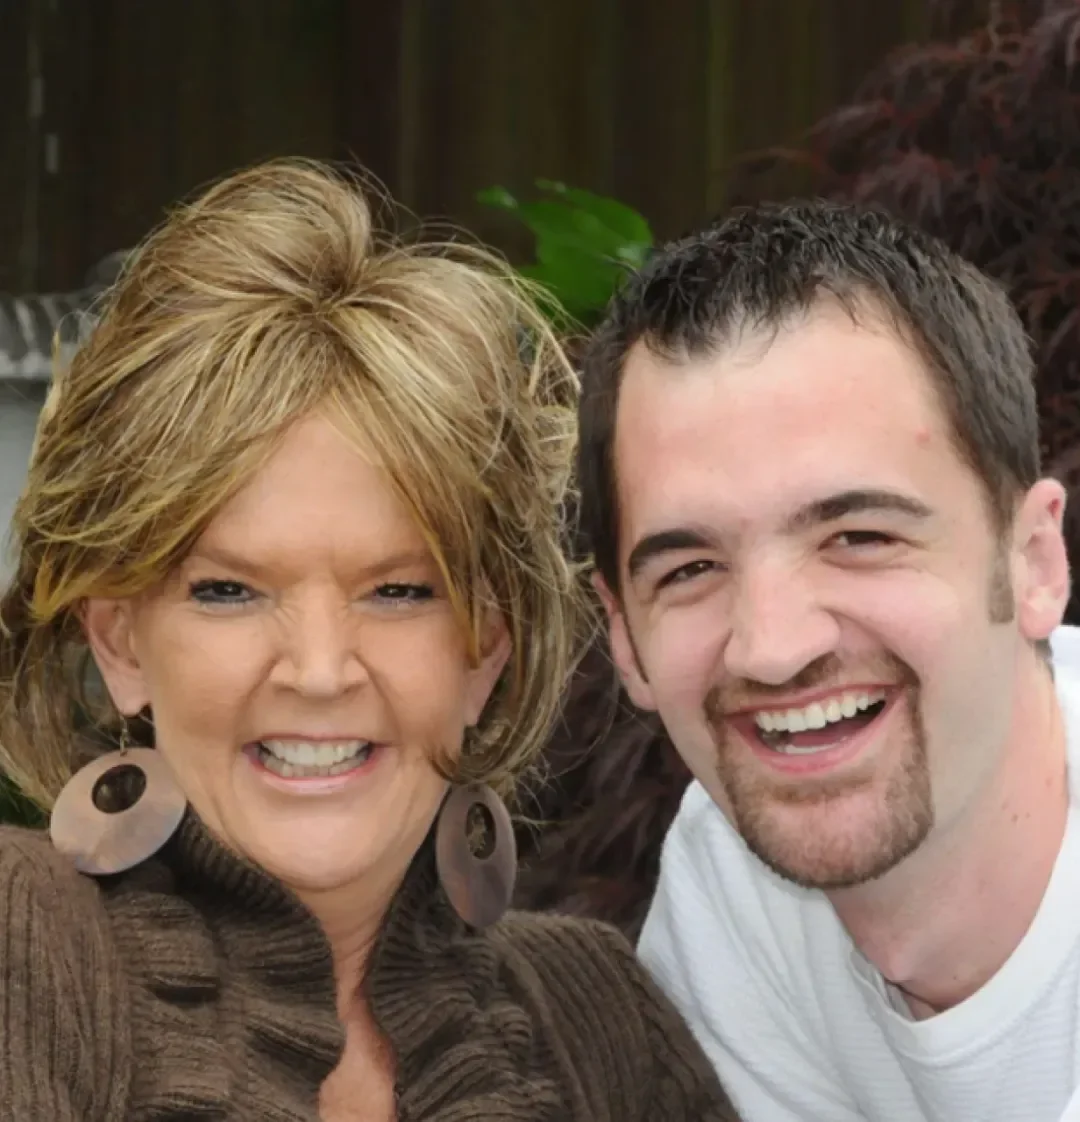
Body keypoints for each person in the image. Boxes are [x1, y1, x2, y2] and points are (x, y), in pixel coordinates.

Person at [0, 159, 738, 1122]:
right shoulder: (23, 946)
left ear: (487, 649)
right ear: (121, 646)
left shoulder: (598, 1022)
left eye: (397, 592)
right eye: (228, 591)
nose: (317, 669)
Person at [577, 198, 1080, 1122]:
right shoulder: (728, 890)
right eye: (690, 568)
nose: (772, 648)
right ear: (624, 638)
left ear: (1035, 563)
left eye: (858, 536)